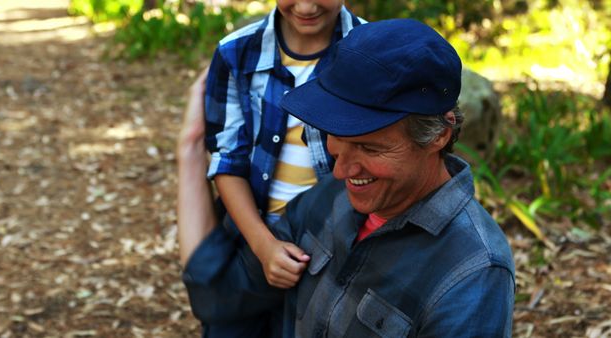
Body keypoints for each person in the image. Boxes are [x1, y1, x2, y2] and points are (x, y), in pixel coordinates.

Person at [180, 19, 516, 337]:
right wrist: (190, 151)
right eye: (335, 141)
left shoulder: (473, 273)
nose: (340, 171)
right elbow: (222, 293)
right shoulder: (329, 197)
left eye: (369, 148)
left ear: (438, 135)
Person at [180, 1, 364, 336]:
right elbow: (227, 159)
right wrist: (264, 246)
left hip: (336, 253)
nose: (306, 6)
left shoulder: (370, 52)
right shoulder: (236, 53)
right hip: (251, 241)